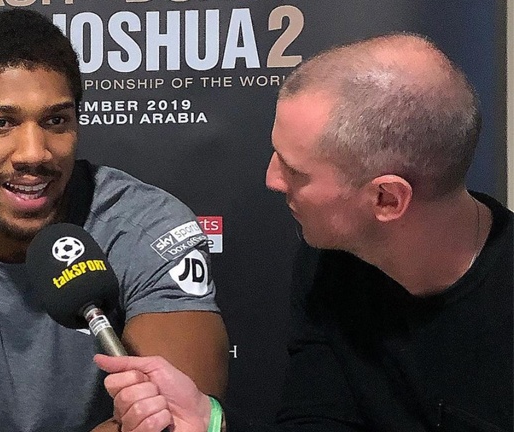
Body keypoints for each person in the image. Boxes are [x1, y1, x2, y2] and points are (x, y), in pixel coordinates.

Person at [94, 32, 513, 432]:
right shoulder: (330, 263)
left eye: (295, 170)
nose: (271, 179)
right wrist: (211, 422)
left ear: (387, 198)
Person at [0, 9, 228, 432]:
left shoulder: (146, 227)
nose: (34, 152)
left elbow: (178, 417)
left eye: (55, 121)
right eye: (1, 123)